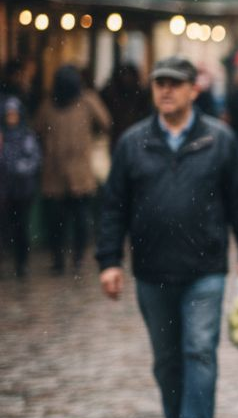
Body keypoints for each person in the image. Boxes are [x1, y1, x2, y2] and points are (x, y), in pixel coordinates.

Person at [96, 56, 238, 418]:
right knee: (166, 358)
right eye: (159, 84)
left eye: (174, 83)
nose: (166, 90)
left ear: (193, 89)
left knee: (200, 350)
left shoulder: (217, 140)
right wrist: (110, 261)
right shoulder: (133, 142)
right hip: (152, 270)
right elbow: (114, 206)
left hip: (205, 267)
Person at [33, 65, 112, 275]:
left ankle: (75, 257)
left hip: (78, 173)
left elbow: (105, 122)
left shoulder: (86, 101)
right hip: (55, 173)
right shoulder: (49, 105)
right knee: (59, 221)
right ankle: (61, 258)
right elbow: (37, 130)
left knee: (79, 220)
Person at [1, 96, 41, 278]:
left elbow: (33, 159)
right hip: (5, 189)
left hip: (22, 190)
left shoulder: (26, 135)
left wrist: (19, 168)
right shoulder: (3, 136)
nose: (11, 118)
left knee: (21, 228)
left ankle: (21, 262)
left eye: (13, 114)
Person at [100, 63, 151, 147]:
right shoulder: (139, 94)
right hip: (122, 135)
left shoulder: (112, 93)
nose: (126, 79)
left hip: (125, 135)